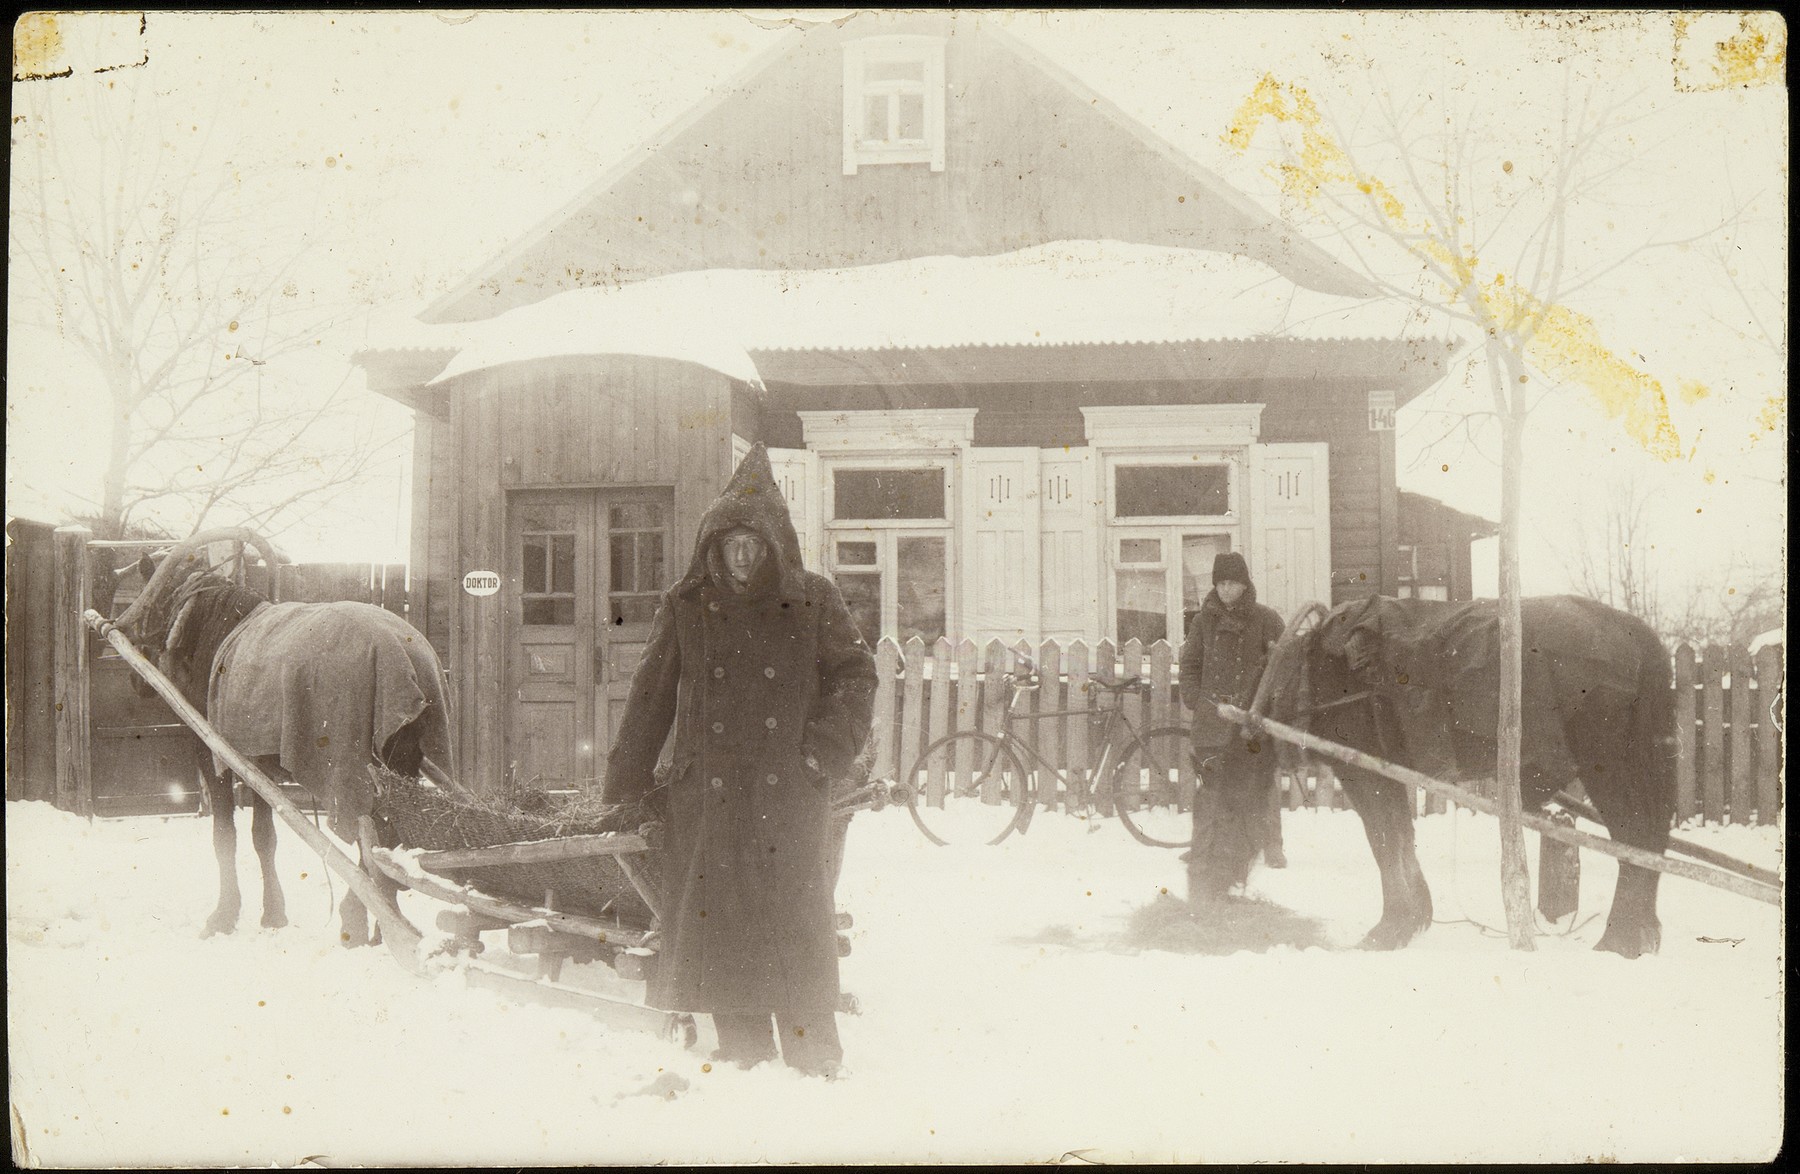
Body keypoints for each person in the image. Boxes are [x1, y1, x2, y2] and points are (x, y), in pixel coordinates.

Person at [603, 444, 877, 1078]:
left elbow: (856, 676)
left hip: (787, 789)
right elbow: (652, 694)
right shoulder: (687, 604)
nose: (746, 555)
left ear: (776, 546)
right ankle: (744, 1050)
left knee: (795, 917)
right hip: (712, 791)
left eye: (758, 543)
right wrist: (627, 781)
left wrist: (822, 752)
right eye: (734, 543)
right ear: (714, 547)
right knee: (723, 915)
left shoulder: (814, 600)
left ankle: (814, 1053)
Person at [1178, 551, 1286, 898]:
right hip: (1213, 720)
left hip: (1251, 721)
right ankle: (1203, 848)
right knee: (1209, 788)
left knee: (1261, 786)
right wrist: (1200, 702)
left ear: (1245, 584)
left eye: (1233, 583)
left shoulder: (1267, 620)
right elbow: (1190, 666)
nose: (1226, 590)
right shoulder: (1201, 622)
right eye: (1221, 583)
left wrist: (1265, 708)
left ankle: (1272, 845)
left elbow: (1282, 668)